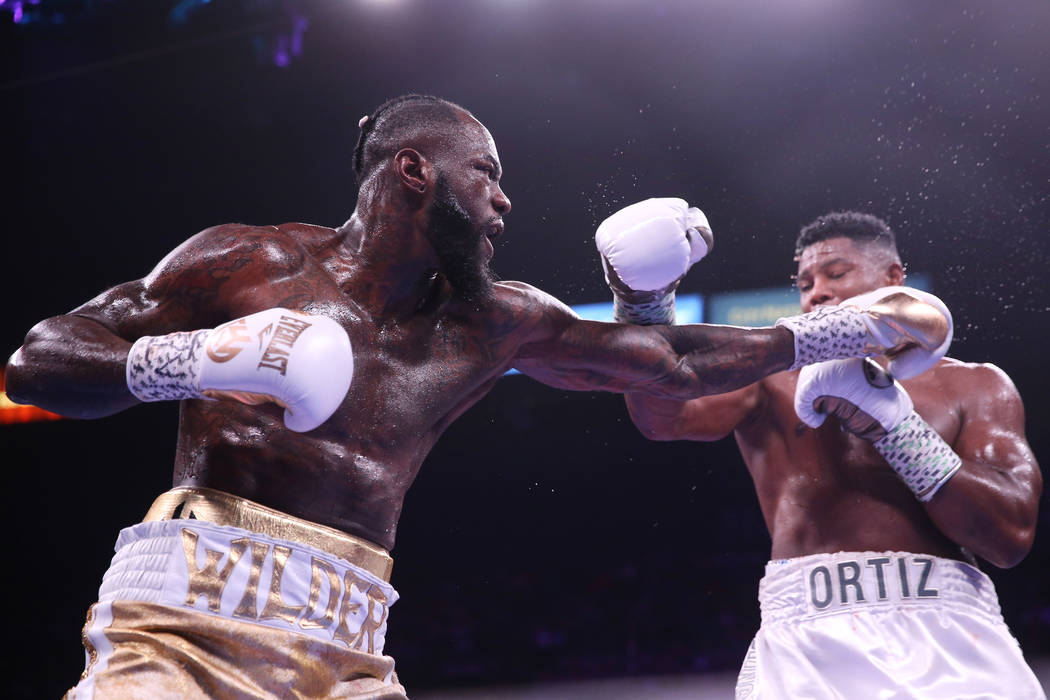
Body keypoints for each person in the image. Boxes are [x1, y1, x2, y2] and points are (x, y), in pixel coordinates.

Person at [6, 97, 948, 700]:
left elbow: (670, 364)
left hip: (346, 646)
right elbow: (40, 360)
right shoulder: (250, 262)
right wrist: (198, 360)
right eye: (487, 175)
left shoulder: (494, 320)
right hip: (182, 618)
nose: (503, 204)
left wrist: (843, 329)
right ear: (416, 170)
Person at [605, 207, 1044, 699]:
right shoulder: (769, 381)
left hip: (953, 639)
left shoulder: (975, 384)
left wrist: (895, 427)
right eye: (805, 281)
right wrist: (643, 302)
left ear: (894, 278)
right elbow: (663, 418)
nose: (817, 291)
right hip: (809, 642)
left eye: (835, 273)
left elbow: (1009, 536)